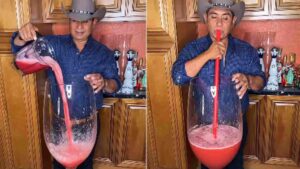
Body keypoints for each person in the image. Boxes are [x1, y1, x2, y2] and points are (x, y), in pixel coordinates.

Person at [10, 0, 121, 168]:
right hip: (59, 123)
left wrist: (104, 82)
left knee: (85, 165)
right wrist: (20, 36)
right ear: (69, 21)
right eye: (75, 20)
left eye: (85, 21)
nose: (79, 26)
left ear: (94, 22)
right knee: (59, 166)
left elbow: (116, 84)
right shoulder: (53, 45)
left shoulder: (103, 53)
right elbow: (19, 53)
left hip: (88, 125)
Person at [172, 0, 266, 168]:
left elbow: (261, 82)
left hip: (235, 126)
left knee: (235, 165)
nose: (219, 23)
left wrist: (249, 80)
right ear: (206, 18)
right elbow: (178, 77)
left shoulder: (245, 51)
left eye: (226, 18)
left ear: (234, 21)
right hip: (204, 129)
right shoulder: (193, 49)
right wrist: (208, 54)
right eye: (214, 16)